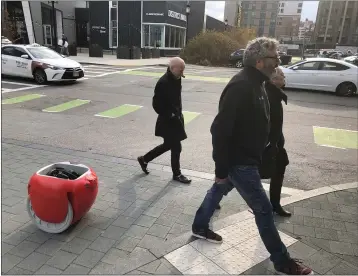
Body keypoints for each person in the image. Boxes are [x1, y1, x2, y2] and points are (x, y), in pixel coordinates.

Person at [191, 37, 313, 275]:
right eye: (274, 58)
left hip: (246, 160)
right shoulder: (241, 85)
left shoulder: (259, 83)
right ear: (259, 62)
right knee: (264, 210)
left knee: (217, 191)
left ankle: (199, 226)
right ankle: (282, 261)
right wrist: (221, 170)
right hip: (240, 162)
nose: (279, 62)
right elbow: (220, 129)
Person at [137, 57, 191, 184]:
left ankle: (144, 159)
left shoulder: (176, 78)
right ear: (172, 68)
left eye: (183, 68)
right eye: (180, 69)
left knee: (169, 145)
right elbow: (156, 104)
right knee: (176, 147)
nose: (182, 71)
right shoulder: (163, 82)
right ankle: (177, 174)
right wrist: (170, 114)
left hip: (176, 119)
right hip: (168, 121)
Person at [263, 67, 291, 217]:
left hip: (276, 143)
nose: (284, 78)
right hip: (265, 144)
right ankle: (214, 197)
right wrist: (269, 142)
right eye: (281, 76)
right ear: (274, 80)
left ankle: (275, 204)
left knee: (279, 170)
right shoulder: (268, 95)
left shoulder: (276, 94)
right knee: (238, 174)